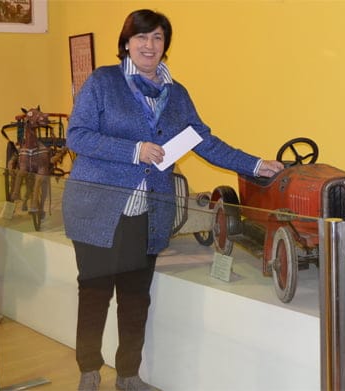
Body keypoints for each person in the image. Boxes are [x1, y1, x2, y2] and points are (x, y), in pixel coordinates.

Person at [62, 9, 284, 391]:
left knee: (135, 298)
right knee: (95, 292)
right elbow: (77, 136)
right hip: (97, 208)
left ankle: (129, 375)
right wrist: (135, 150)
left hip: (147, 212)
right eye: (142, 37)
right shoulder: (103, 81)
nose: (149, 45)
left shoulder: (176, 94)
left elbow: (206, 142)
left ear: (165, 46)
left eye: (158, 38)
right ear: (127, 42)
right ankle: (89, 371)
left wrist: (256, 164)